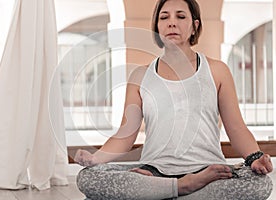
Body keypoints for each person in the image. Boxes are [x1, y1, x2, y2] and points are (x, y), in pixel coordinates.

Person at [75, 0, 273, 199]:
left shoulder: (217, 70)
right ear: (157, 27)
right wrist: (95, 158)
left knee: (260, 184)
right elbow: (125, 136)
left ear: (195, 26)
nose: (171, 23)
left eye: (180, 16)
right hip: (154, 172)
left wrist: (254, 158)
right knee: (88, 178)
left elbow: (236, 127)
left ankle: (164, 194)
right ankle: (180, 188)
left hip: (209, 172)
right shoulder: (140, 76)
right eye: (164, 17)